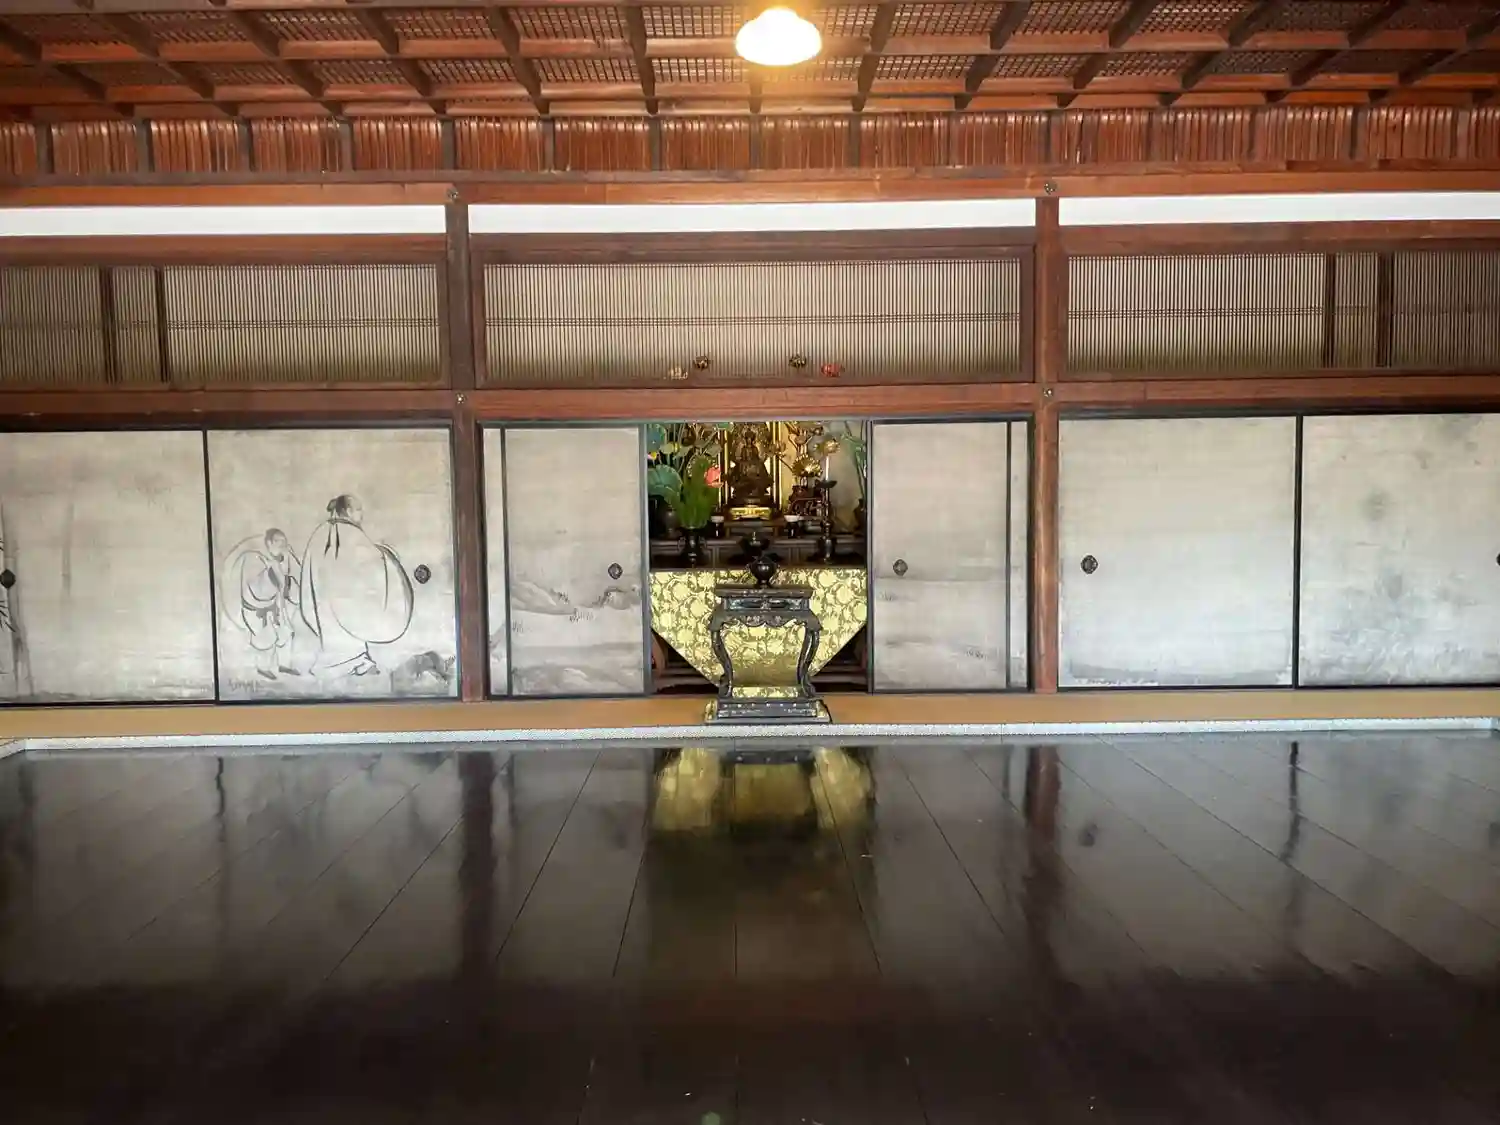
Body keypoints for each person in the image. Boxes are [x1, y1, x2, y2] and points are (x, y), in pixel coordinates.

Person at [299, 495, 414, 677]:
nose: (361, 515)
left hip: (323, 596)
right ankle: (348, 664)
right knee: (347, 629)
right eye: (359, 510)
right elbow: (371, 561)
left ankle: (346, 663)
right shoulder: (350, 532)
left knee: (333, 631)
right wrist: (387, 553)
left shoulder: (321, 532)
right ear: (349, 511)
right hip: (342, 597)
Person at [222, 528, 301, 680]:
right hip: (257, 608)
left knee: (285, 632)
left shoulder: (283, 558)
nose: (282, 544)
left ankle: (284, 665)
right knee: (266, 638)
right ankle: (263, 668)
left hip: (275, 605)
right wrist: (278, 576)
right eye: (278, 541)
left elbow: (286, 582)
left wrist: (285, 580)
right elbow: (258, 586)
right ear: (269, 542)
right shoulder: (255, 558)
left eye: (284, 541)